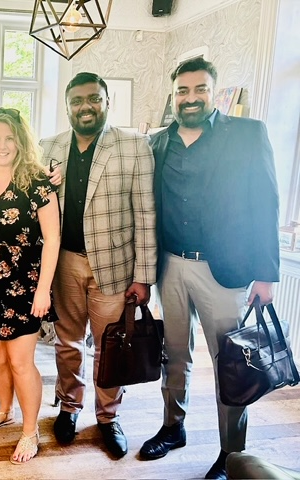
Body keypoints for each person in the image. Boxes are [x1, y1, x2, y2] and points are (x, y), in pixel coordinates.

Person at [139, 57, 280, 480]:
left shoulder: (248, 135)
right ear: (173, 96)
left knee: (231, 364)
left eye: (200, 89)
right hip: (170, 267)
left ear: (213, 93)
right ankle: (173, 426)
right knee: (174, 354)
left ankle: (232, 452)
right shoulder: (157, 143)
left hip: (225, 272)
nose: (191, 98)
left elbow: (266, 204)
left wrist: (267, 274)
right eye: (182, 91)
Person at [39, 72, 157, 458]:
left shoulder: (134, 146)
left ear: (107, 102)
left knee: (111, 346)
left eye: (93, 98)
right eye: (76, 101)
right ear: (67, 106)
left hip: (115, 268)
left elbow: (146, 214)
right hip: (64, 265)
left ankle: (108, 416)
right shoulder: (49, 147)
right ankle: (69, 407)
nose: (85, 107)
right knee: (67, 343)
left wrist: (144, 276)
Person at [0, 108, 61, 464]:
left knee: (21, 362)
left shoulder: (38, 183)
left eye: (9, 138)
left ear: (20, 142)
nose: (2, 145)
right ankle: (4, 410)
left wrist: (43, 290)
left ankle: (30, 430)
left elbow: (52, 239)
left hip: (25, 285)